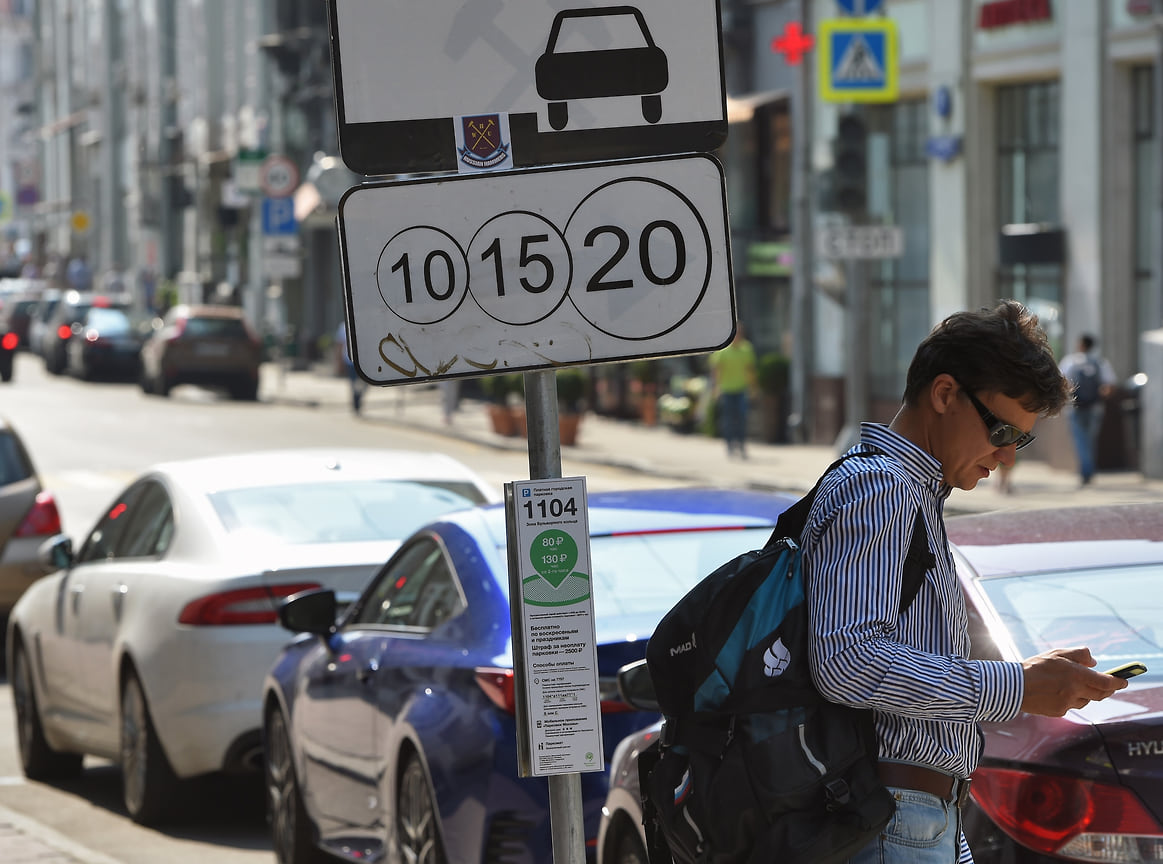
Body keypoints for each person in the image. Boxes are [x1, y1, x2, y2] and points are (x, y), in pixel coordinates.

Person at [800, 301, 1128, 864]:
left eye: (1020, 441)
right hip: (887, 811)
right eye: (1001, 430)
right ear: (945, 394)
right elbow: (847, 661)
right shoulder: (884, 491)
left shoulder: (908, 490)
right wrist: (1017, 688)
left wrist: (1025, 677)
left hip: (911, 811)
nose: (1005, 456)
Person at [1058, 334, 1118, 486]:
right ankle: (1089, 470)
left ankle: (1085, 472)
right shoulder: (1100, 362)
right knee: (1090, 440)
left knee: (1080, 439)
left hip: (1075, 407)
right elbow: (1109, 386)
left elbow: (1061, 381)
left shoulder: (1070, 361)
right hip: (1095, 407)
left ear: (1080, 345)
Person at [708, 324, 757, 458]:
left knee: (741, 418)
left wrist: (753, 387)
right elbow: (717, 370)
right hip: (726, 389)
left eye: (740, 333)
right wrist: (716, 388)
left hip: (741, 389)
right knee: (728, 419)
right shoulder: (723, 349)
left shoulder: (746, 348)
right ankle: (729, 445)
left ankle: (741, 444)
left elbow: (750, 369)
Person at [335, 319, 366, 414]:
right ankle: (356, 402)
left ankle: (358, 397)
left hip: (364, 361)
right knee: (353, 383)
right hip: (349, 361)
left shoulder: (364, 324)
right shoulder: (343, 326)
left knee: (365, 383)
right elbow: (340, 345)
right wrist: (339, 362)